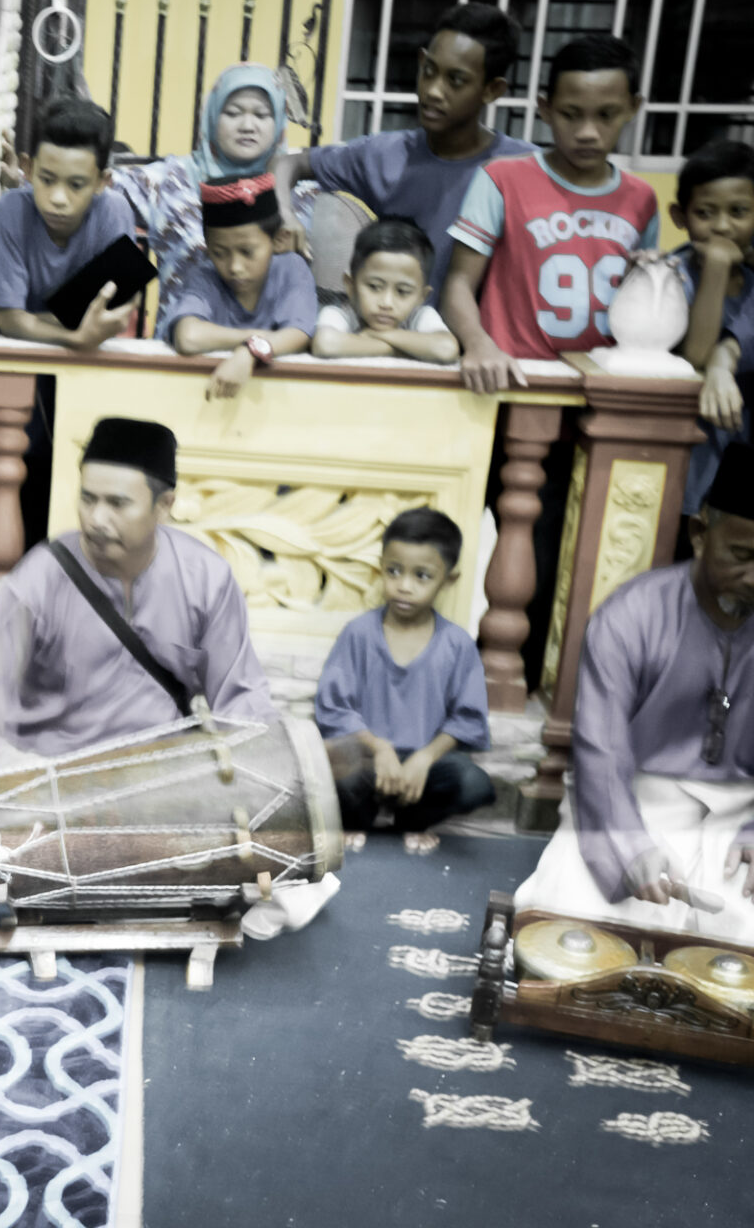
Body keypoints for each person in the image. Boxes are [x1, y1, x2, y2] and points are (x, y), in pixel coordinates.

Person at [0, 417, 276, 779]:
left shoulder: (207, 580)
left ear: (164, 505)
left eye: (117, 503)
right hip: (49, 778)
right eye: (87, 498)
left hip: (160, 778)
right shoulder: (41, 577)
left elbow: (241, 702)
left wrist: (258, 781)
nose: (96, 518)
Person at [514, 443, 754, 945]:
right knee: (571, 929)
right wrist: (629, 846)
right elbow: (600, 753)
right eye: (743, 556)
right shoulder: (630, 618)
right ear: (700, 533)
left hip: (741, 814)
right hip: (636, 799)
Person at [444, 34, 659, 394]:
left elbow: (643, 299)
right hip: (510, 378)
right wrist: (479, 344)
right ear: (544, 108)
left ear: (633, 108)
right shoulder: (501, 179)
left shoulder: (642, 199)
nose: (588, 132)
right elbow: (458, 283)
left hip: (602, 390)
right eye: (570, 115)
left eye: (606, 115)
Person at [274, 2, 535, 298]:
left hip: (487, 341)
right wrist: (284, 212)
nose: (434, 90)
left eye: (456, 80)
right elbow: (288, 163)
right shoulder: (386, 156)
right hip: (396, 334)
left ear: (492, 90)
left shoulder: (524, 167)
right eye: (429, 71)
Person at [313, 507, 494, 834]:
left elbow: (468, 720)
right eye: (394, 571)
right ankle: (356, 823)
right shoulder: (359, 633)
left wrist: (425, 758)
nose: (404, 586)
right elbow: (333, 709)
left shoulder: (457, 645)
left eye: (421, 575)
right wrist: (380, 748)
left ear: (448, 579)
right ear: (380, 569)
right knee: (330, 768)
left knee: (473, 783)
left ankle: (412, 824)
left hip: (423, 764)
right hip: (368, 758)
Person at [109, 63, 319, 317]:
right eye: (233, 113)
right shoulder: (171, 182)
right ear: (212, 115)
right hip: (181, 346)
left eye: (261, 115)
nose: (247, 125)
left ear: (278, 122)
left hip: (275, 345)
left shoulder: (304, 194)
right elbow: (92, 194)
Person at [0, 96, 142, 349]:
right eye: (47, 179)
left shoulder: (114, 211)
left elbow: (118, 311)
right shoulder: (11, 210)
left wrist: (24, 320)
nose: (58, 199)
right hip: (17, 362)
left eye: (76, 185)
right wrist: (76, 337)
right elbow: (10, 321)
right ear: (28, 169)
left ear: (102, 181)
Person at [157, 173, 315, 399]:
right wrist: (261, 341)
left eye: (247, 252)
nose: (235, 267)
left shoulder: (291, 268)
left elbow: (299, 335)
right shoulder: (204, 275)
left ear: (279, 239)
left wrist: (248, 353)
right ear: (207, 248)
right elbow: (188, 337)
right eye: (219, 253)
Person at [666, 139, 754, 518]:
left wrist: (726, 356)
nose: (722, 226)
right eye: (705, 212)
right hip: (686, 456)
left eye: (739, 211)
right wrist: (716, 267)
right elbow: (695, 356)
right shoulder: (668, 276)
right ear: (680, 216)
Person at [311, 220, 459, 363]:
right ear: (350, 285)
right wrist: (398, 350)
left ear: (422, 296)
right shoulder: (341, 314)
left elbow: (446, 349)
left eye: (402, 291)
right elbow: (325, 344)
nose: (386, 303)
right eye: (374, 287)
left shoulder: (420, 315)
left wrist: (374, 334)